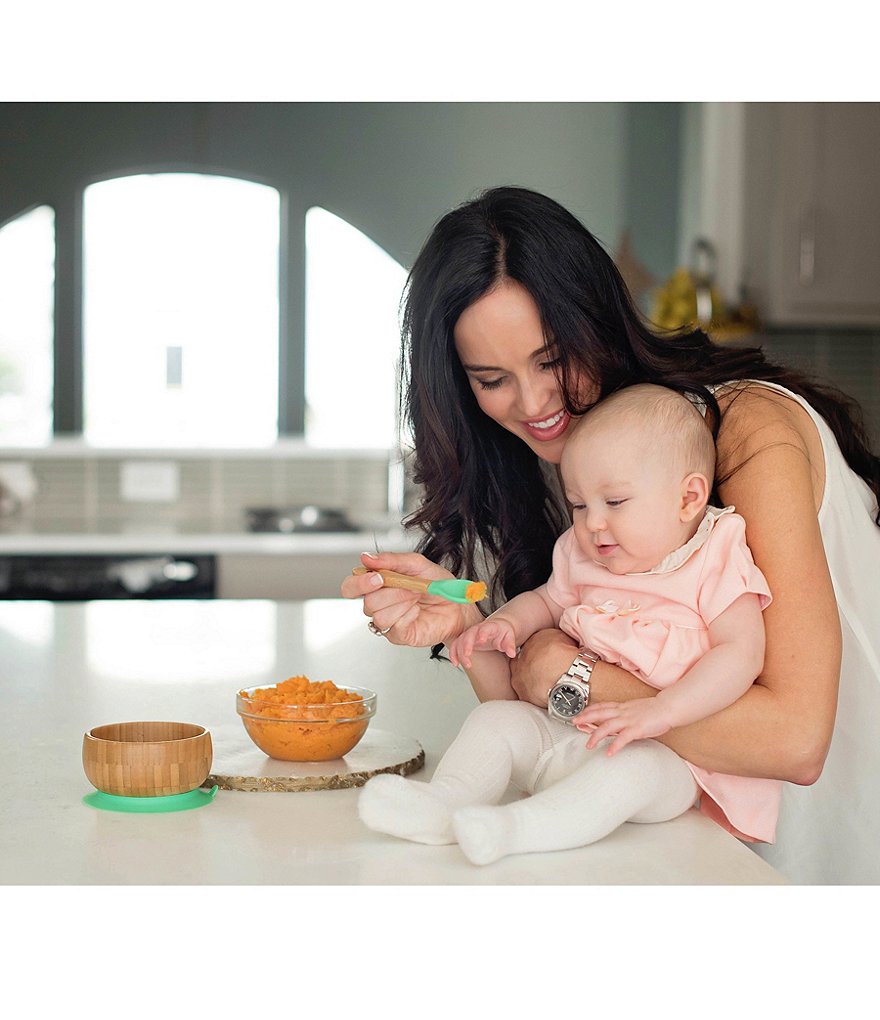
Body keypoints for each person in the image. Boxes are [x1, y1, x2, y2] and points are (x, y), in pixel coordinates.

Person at [341, 185, 880, 884]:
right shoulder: (571, 465)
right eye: (492, 378)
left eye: (550, 358)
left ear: (596, 318)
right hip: (693, 846)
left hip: (836, 853)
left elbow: (796, 742)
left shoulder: (746, 431)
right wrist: (466, 625)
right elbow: (537, 722)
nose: (534, 404)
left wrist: (571, 677)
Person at [358, 384, 777, 865]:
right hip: (570, 735)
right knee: (495, 720)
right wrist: (505, 624)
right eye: (579, 505)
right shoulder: (584, 553)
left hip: (670, 757)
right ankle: (445, 803)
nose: (593, 523)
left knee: (630, 772)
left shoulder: (715, 556)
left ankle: (514, 830)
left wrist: (662, 711)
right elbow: (546, 599)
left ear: (688, 497)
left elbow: (740, 653)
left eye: (614, 502)